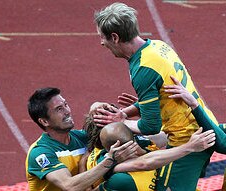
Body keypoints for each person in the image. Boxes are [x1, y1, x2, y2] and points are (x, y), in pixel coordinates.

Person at [93, 2, 218, 190]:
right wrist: (126, 112)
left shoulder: (142, 70)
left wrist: (121, 123)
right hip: (202, 124)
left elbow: (151, 126)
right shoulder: (158, 47)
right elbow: (164, 95)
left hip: (187, 139)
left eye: (102, 37)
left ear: (115, 37)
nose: (102, 43)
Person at [82, 102, 216, 191]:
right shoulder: (116, 173)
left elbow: (168, 135)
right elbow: (143, 163)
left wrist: (143, 113)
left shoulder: (133, 140)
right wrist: (190, 147)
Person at [25, 87, 138, 191]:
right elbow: (69, 185)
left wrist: (96, 105)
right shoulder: (40, 153)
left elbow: (112, 131)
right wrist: (110, 160)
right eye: (59, 109)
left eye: (65, 104)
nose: (67, 111)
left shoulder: (82, 137)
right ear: (44, 121)